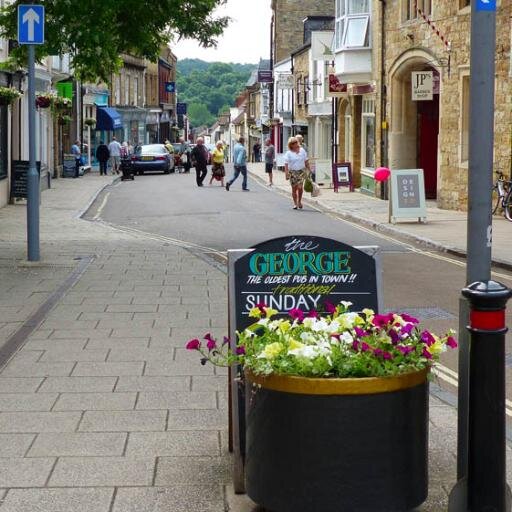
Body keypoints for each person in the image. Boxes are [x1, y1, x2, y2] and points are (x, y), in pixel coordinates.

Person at [284, 136, 310, 210]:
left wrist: (309, 169)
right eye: (293, 143)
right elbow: (286, 164)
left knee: (300, 187)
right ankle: (295, 203)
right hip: (292, 172)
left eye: (295, 142)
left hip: (301, 171)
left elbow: (306, 161)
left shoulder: (302, 150)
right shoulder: (288, 153)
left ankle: (299, 201)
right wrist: (286, 174)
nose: (295, 144)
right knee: (294, 189)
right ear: (290, 145)